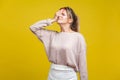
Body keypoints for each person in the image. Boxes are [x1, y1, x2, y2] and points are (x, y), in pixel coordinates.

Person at [29, 6, 88, 80]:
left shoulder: (78, 37)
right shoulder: (52, 36)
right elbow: (33, 27)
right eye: (58, 13)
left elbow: (82, 63)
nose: (59, 15)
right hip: (53, 74)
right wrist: (52, 20)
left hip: (69, 76)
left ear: (70, 20)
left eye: (62, 14)